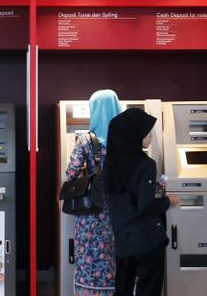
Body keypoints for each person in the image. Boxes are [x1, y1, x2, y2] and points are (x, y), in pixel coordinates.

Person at [103, 108, 174, 296]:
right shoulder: (145, 164)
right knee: (148, 289)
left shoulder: (110, 164)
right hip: (147, 241)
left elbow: (125, 197)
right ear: (133, 134)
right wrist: (168, 201)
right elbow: (146, 205)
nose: (150, 135)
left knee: (123, 289)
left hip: (124, 242)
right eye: (146, 131)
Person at [65, 89, 121, 296]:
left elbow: (71, 172)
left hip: (92, 212)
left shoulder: (86, 140)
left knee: (91, 257)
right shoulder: (126, 139)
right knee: (118, 259)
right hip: (120, 211)